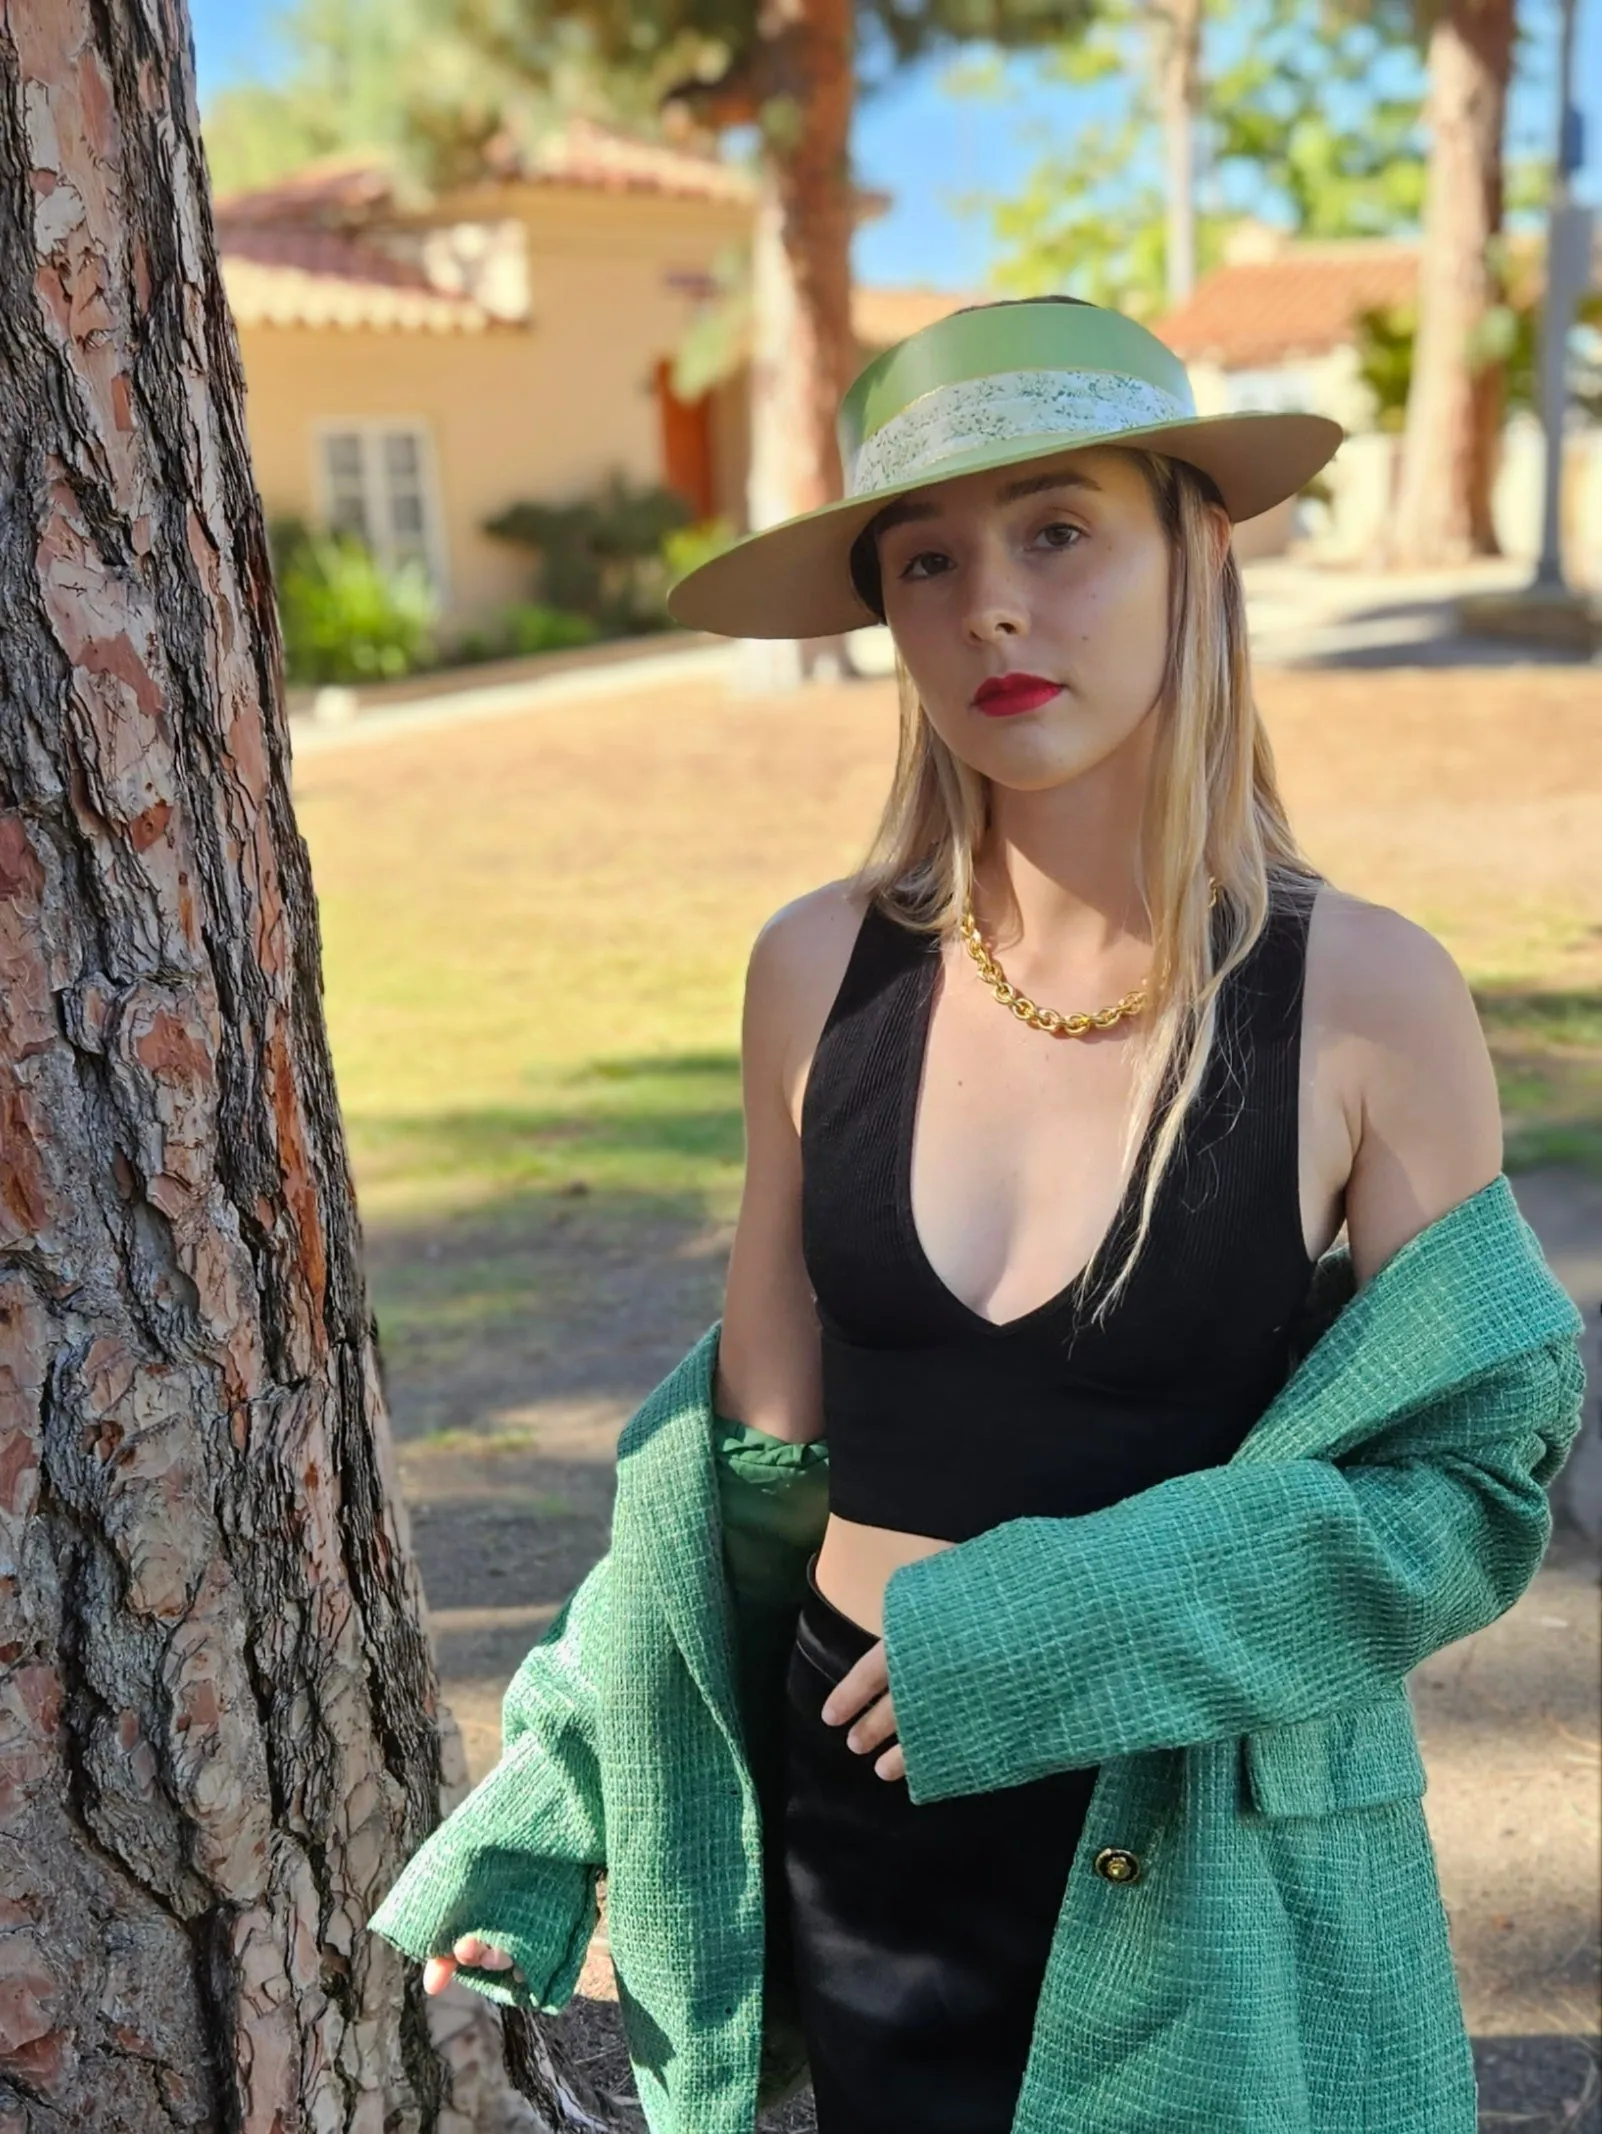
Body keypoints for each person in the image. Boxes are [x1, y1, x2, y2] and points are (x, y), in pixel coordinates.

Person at [370, 297, 1585, 2134]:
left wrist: (1047, 1631)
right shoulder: (817, 969)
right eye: (924, 560)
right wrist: (555, 1795)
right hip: (869, 1837)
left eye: (1057, 531)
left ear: (1197, 553)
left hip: (1208, 1845)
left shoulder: (1365, 999)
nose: (989, 606)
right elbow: (738, 1474)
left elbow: (1468, 1487)